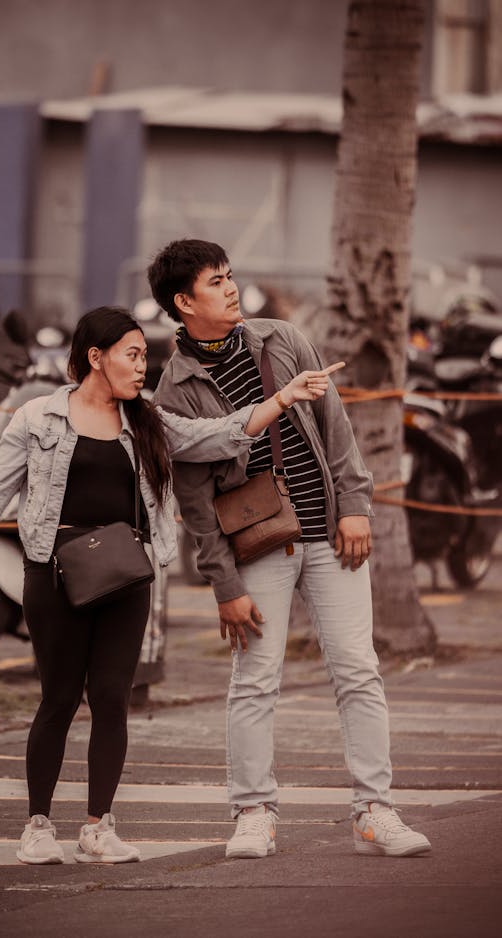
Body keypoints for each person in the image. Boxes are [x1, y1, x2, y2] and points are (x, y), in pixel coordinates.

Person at [0, 305, 337, 866]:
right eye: (133, 355)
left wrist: (281, 400)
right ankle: (38, 826)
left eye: (146, 356)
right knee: (58, 699)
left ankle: (98, 825)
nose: (144, 367)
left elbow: (217, 435)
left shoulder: (147, 421)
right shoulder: (37, 419)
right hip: (54, 573)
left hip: (126, 574)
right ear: (96, 357)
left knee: (112, 699)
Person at [149, 239, 431, 860]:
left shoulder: (280, 338)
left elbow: (338, 432)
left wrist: (355, 508)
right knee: (255, 680)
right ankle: (253, 812)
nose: (230, 289)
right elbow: (194, 501)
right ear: (182, 301)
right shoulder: (176, 387)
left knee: (358, 670)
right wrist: (224, 585)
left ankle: (375, 809)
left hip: (332, 535)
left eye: (231, 277)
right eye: (215, 282)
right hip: (257, 548)